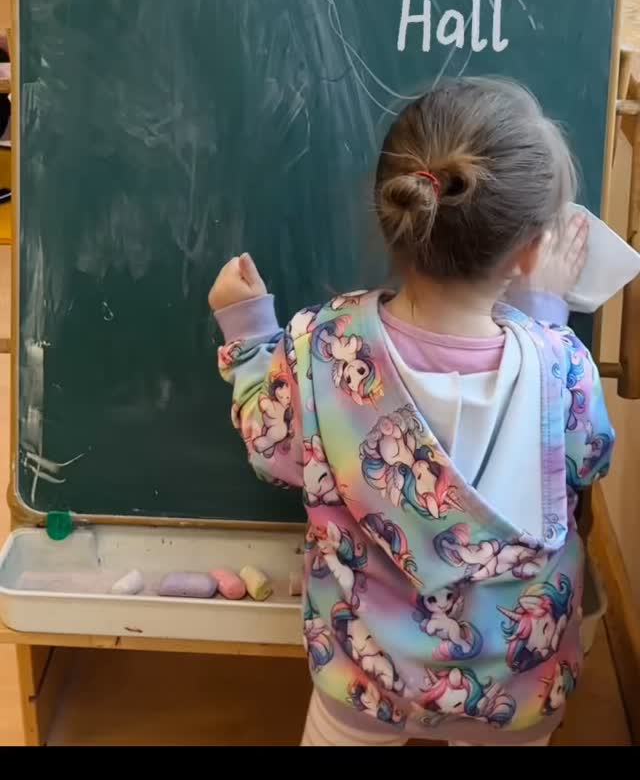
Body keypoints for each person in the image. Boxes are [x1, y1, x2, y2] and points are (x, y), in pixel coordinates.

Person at [210, 77, 613, 747]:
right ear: (534, 252)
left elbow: (270, 445)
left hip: (365, 673)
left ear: (395, 211)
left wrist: (249, 334)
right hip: (516, 682)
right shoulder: (561, 364)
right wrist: (547, 318)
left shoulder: (322, 344)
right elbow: (584, 459)